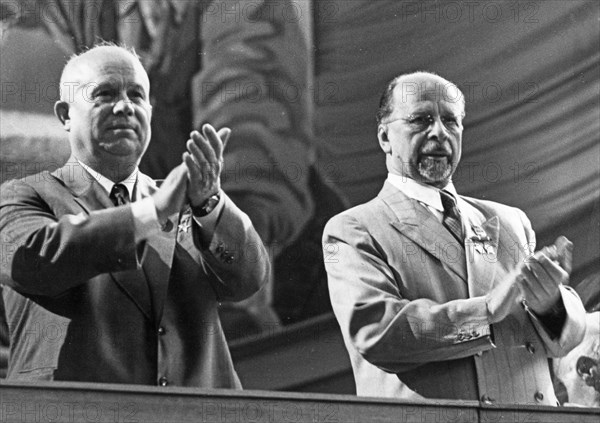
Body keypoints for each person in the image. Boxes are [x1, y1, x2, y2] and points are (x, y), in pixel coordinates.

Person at [0, 44, 269, 387]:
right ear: (65, 115)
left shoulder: (191, 203)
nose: (125, 106)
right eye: (105, 93)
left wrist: (210, 204)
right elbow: (30, 260)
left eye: (137, 95)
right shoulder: (24, 196)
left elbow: (248, 280)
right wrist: (151, 212)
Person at [323, 71, 587, 404]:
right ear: (385, 138)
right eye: (421, 120)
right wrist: (487, 309)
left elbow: (566, 339)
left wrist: (549, 305)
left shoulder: (510, 221)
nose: (439, 132)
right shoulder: (353, 228)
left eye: (451, 121)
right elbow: (377, 332)